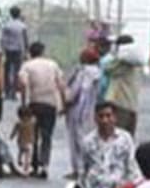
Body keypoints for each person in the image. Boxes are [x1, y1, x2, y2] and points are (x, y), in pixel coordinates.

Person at [77, 102, 139, 188]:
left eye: (108, 116)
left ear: (115, 118)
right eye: (101, 116)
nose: (105, 120)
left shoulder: (125, 139)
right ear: (95, 118)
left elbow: (131, 167)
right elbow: (83, 170)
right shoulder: (88, 141)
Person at [18, 41, 64, 179]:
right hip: (50, 104)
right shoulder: (53, 64)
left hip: (34, 104)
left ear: (30, 53)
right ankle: (45, 165)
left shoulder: (27, 66)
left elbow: (23, 84)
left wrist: (23, 103)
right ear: (43, 52)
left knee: (34, 136)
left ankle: (34, 165)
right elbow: (60, 84)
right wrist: (64, 104)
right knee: (47, 136)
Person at [63, 48, 102, 179]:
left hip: (78, 110)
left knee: (76, 141)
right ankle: (89, 168)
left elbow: (75, 92)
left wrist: (65, 103)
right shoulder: (98, 73)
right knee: (90, 138)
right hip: (93, 110)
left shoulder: (82, 72)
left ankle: (79, 170)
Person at [103, 36, 144, 136]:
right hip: (132, 105)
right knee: (128, 138)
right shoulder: (137, 64)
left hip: (120, 104)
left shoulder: (123, 63)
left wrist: (114, 56)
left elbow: (107, 69)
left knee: (117, 136)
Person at [0, 6, 28, 100]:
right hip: (18, 50)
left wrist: (2, 50)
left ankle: (7, 92)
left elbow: (3, 39)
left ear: (10, 14)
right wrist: (26, 51)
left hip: (8, 50)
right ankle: (14, 93)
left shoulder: (6, 25)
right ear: (19, 14)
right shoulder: (22, 25)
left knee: (7, 71)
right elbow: (25, 39)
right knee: (17, 71)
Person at [11, 104, 37, 176]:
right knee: (27, 156)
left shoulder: (19, 123)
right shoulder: (32, 122)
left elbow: (14, 131)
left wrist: (11, 136)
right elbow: (35, 131)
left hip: (21, 142)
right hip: (29, 142)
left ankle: (20, 161)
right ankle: (26, 169)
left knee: (22, 152)